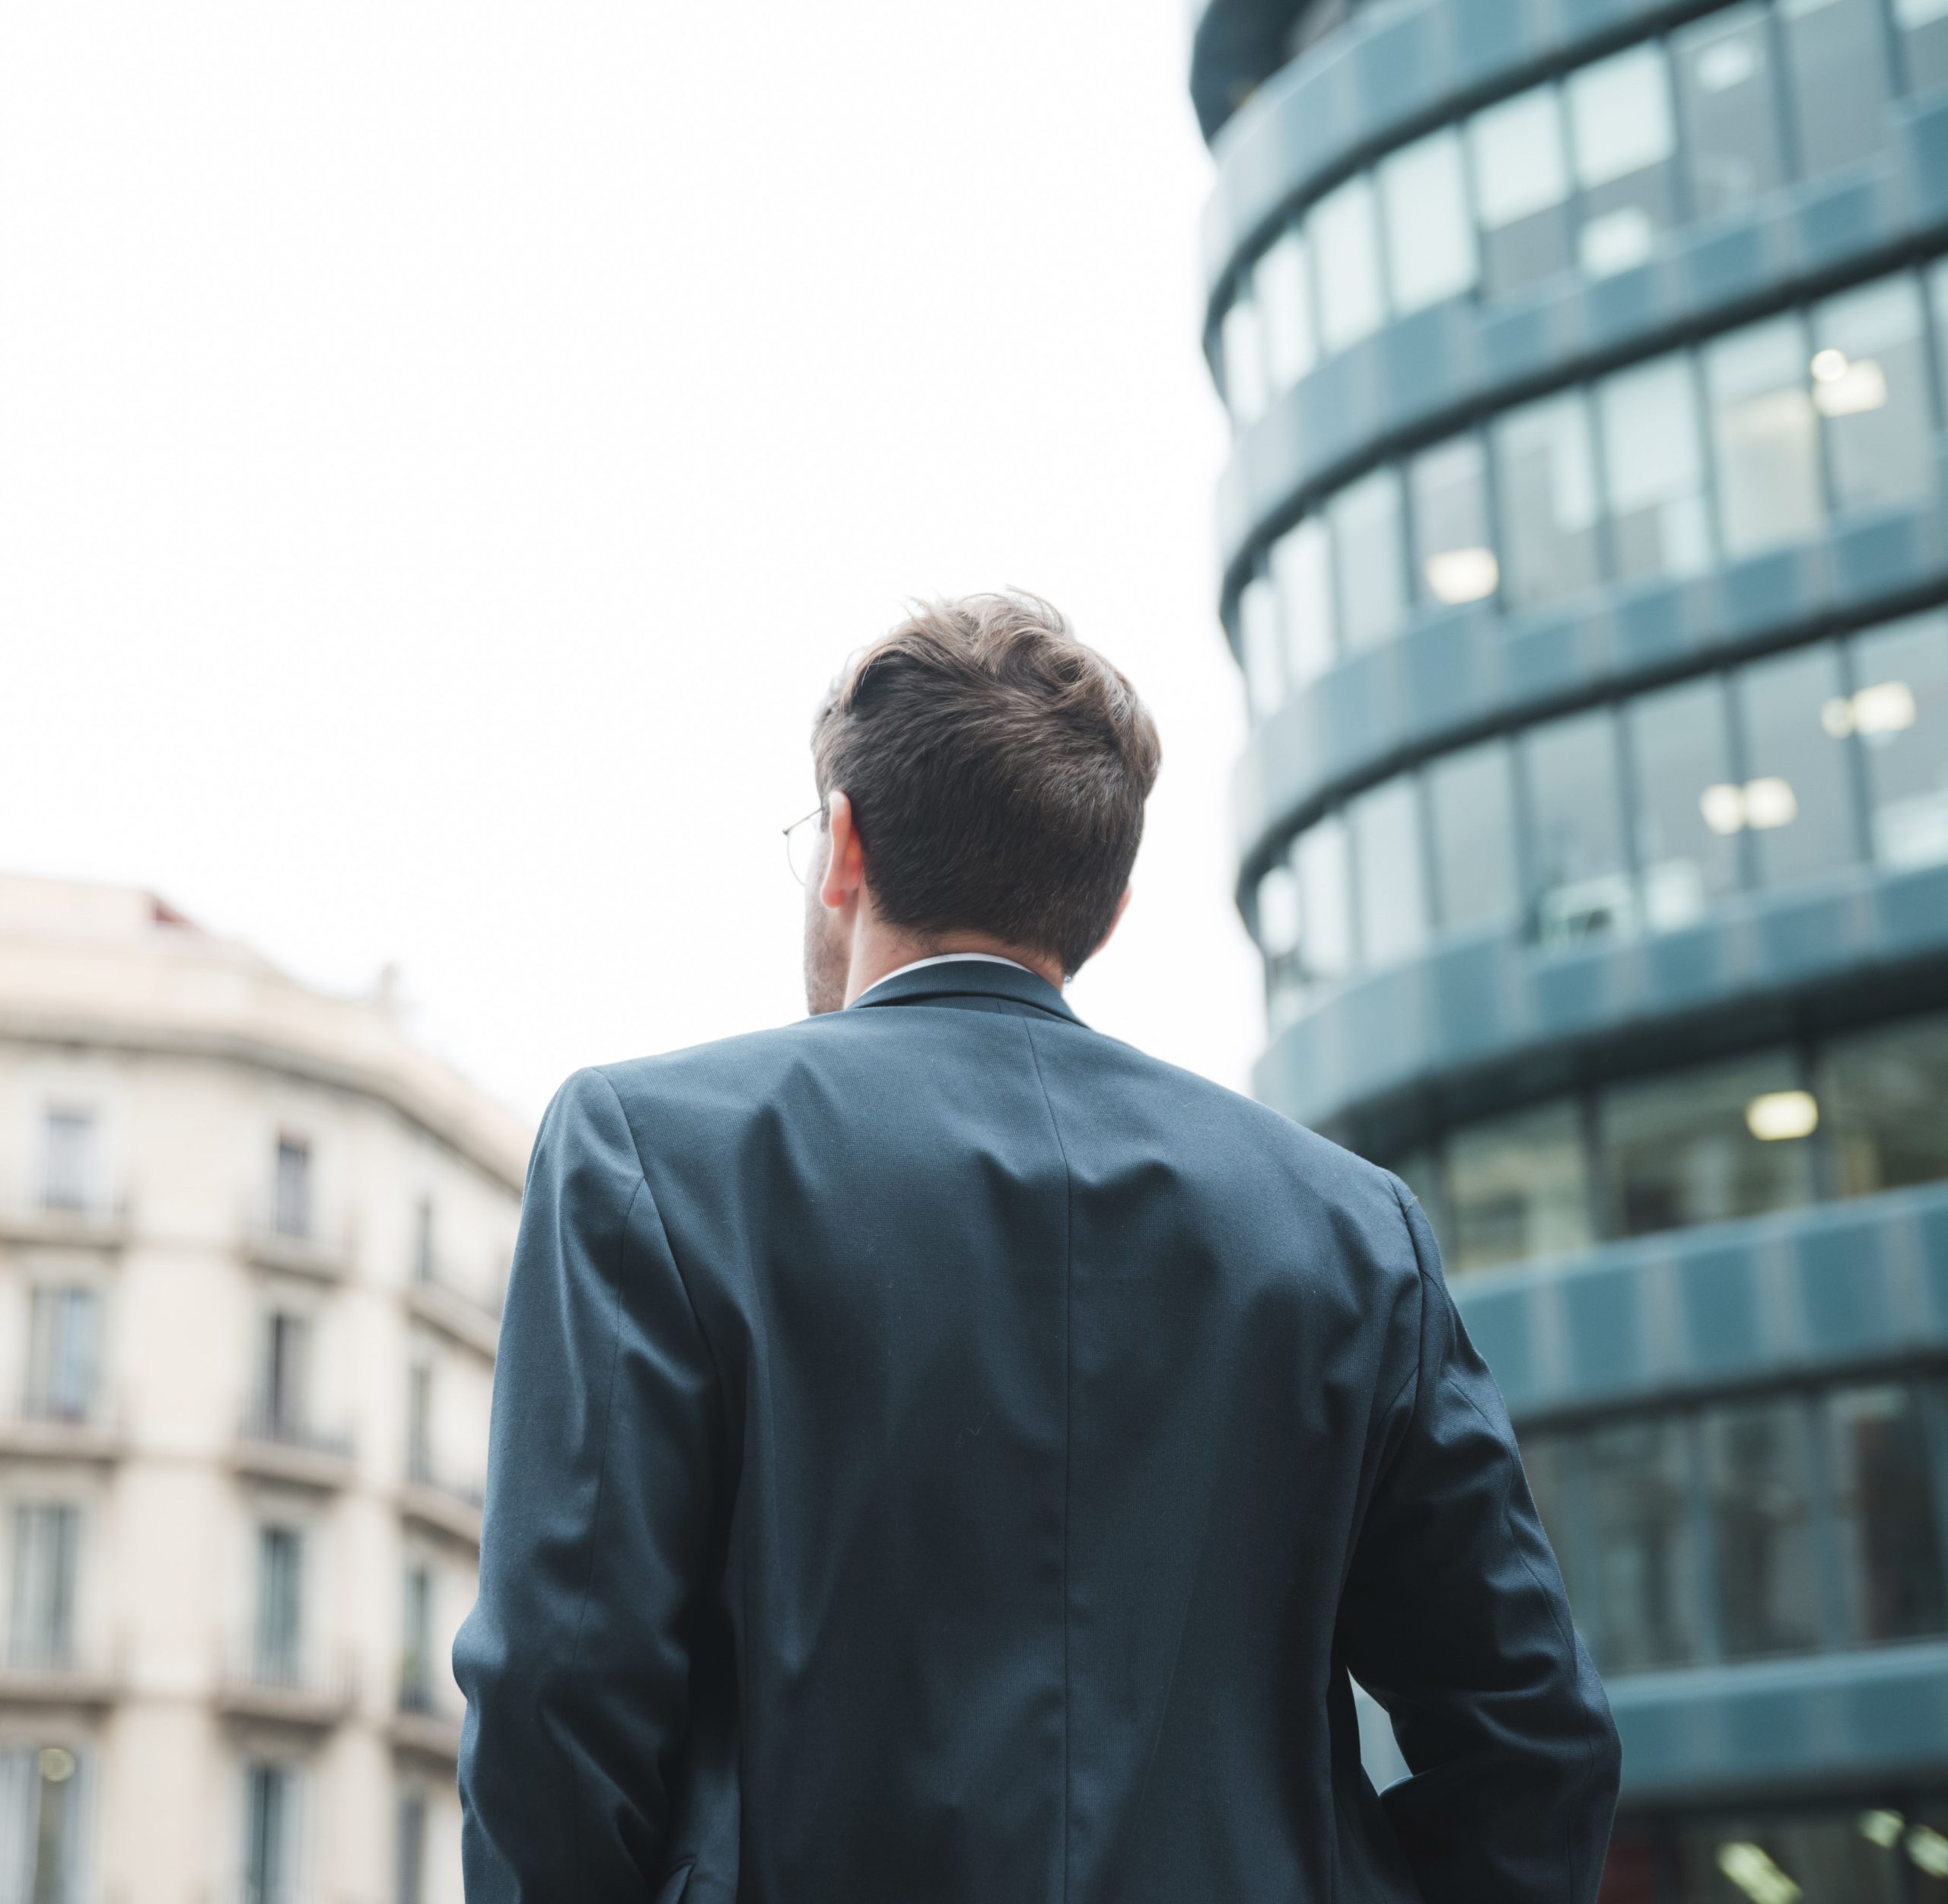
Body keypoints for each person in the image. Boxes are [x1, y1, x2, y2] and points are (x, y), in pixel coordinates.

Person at [454, 591, 1620, 1903]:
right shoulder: (1354, 1230)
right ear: (1109, 907)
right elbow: (1533, 1737)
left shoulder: (648, 1152)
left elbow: (557, 1697)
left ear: (845, 844)